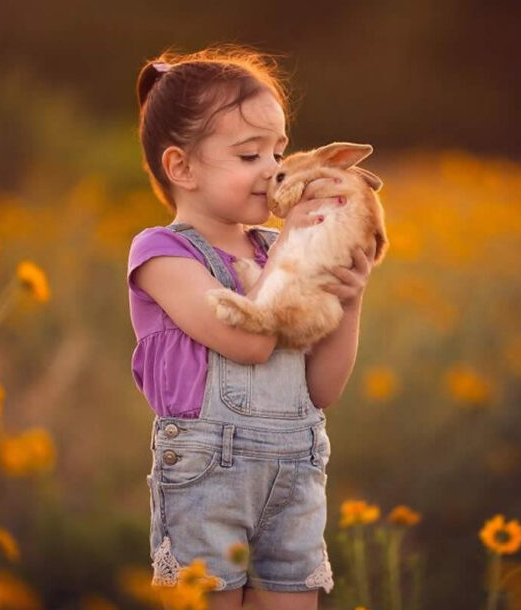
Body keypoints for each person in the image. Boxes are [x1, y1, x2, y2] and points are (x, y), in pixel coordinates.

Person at [127, 45, 375, 610]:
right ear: (181, 168)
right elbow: (252, 340)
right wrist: (293, 248)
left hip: (296, 476)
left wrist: (349, 302)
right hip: (208, 482)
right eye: (248, 155)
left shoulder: (272, 249)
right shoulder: (164, 255)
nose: (273, 169)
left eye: (280, 150)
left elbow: (321, 391)